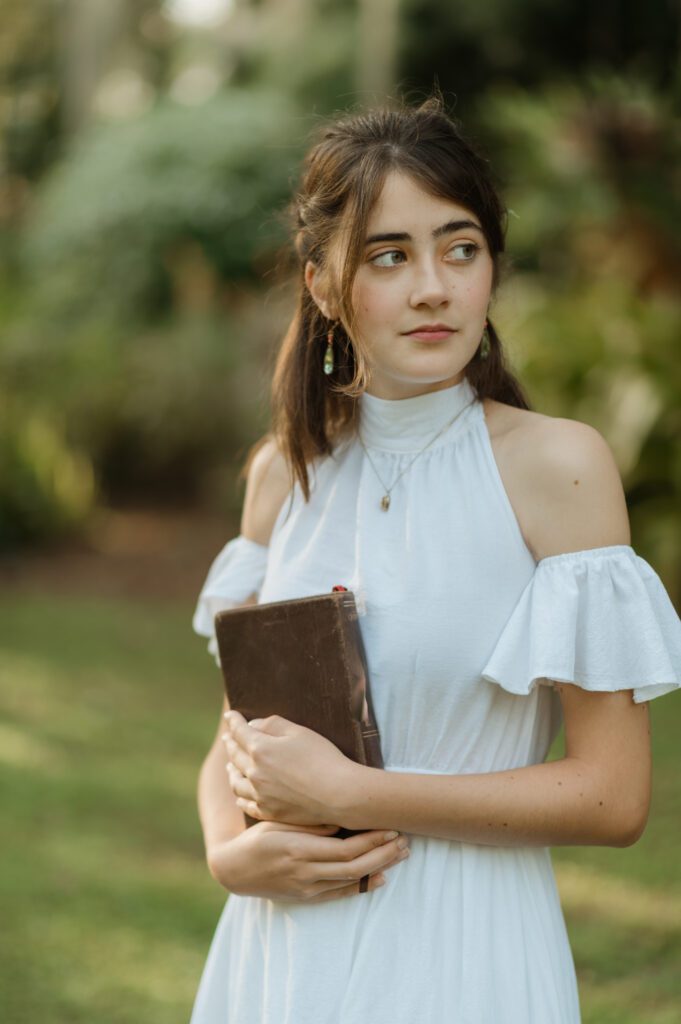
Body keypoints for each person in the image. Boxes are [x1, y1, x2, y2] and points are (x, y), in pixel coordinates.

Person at [188, 94, 681, 1023]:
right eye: (389, 256)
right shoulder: (282, 476)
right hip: (279, 957)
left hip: (463, 956)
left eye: (460, 249)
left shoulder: (556, 469)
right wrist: (229, 850)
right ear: (324, 285)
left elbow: (613, 797)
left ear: (492, 266)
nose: (433, 287)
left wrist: (356, 793)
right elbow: (234, 742)